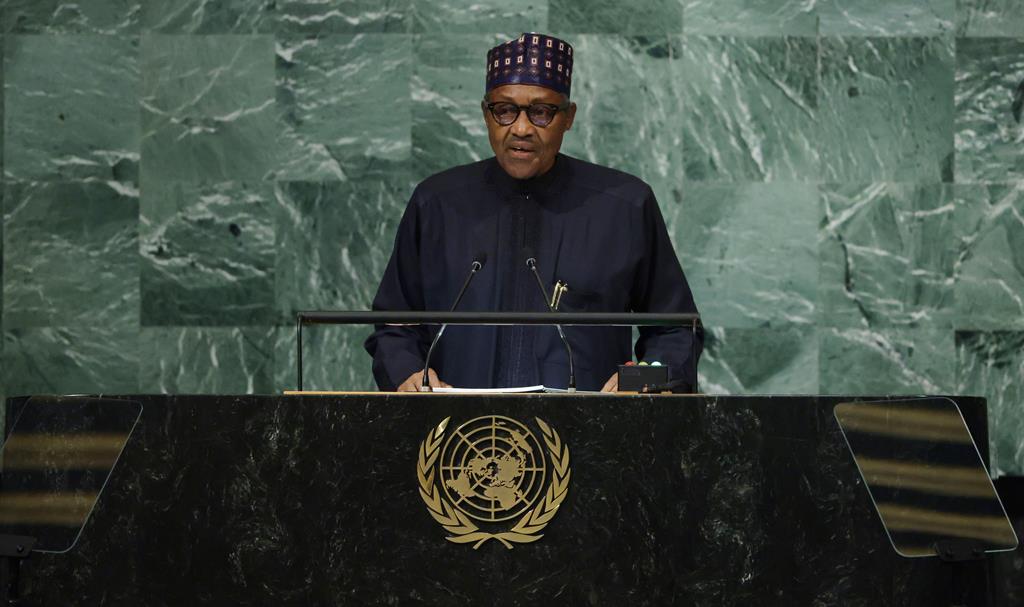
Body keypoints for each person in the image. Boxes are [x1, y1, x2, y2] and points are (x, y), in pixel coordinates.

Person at [365, 33, 702, 392]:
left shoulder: (624, 205)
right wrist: (408, 374)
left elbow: (678, 332)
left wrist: (641, 378)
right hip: (460, 425)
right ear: (486, 114)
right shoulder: (436, 203)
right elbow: (394, 327)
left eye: (541, 112)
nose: (521, 129)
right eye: (505, 110)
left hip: (587, 425)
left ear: (568, 117)